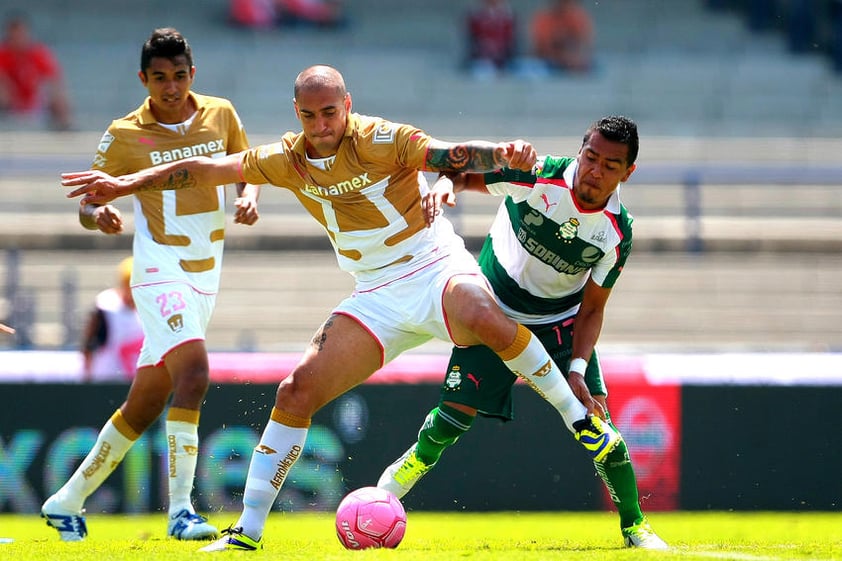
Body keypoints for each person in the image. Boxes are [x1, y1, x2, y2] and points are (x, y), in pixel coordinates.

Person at [61, 64, 621, 552]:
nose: (321, 125)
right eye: (310, 116)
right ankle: (247, 532)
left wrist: (504, 154)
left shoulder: (381, 138)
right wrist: (127, 182)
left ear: (347, 106)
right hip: (375, 292)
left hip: (432, 265)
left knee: (482, 314)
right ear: (298, 115)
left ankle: (579, 422)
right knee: (296, 391)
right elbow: (208, 171)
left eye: (330, 112)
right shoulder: (287, 158)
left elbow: (452, 154)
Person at [377, 116, 668, 550]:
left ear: (628, 172)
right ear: (580, 151)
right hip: (493, 312)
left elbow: (593, 309)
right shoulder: (539, 176)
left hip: (560, 324)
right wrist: (445, 186)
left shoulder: (618, 230)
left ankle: (634, 527)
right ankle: (390, 490)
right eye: (590, 157)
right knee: (450, 422)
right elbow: (462, 174)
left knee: (596, 428)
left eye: (610, 165)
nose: (595, 170)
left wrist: (578, 367)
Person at [41, 27, 260, 542]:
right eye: (159, 78)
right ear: (143, 79)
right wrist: (99, 215)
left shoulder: (221, 114)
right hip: (159, 270)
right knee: (196, 373)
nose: (170, 87)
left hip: (207, 275)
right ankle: (182, 511)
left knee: (143, 405)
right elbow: (89, 202)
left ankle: (65, 499)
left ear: (192, 74)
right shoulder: (125, 134)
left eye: (179, 76)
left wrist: (249, 197)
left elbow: (245, 166)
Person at [0, 13, 72, 130]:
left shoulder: (38, 53)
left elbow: (54, 79)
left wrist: (55, 97)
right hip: (9, 104)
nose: (18, 40)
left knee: (60, 97)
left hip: (34, 105)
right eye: (14, 36)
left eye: (20, 35)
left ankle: (66, 131)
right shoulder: (2, 54)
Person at [80, 256, 145, 383]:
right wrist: (87, 378)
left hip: (137, 383)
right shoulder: (106, 306)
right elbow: (88, 345)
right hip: (106, 380)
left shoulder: (151, 309)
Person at [530, 0, 594, 74]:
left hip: (572, 64)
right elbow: (541, 49)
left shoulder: (579, 18)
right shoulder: (543, 19)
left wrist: (576, 59)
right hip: (550, 64)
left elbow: (585, 46)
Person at [465, 0, 517, 79]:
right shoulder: (476, 17)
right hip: (482, 60)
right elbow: (472, 40)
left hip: (503, 60)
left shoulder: (508, 18)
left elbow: (511, 41)